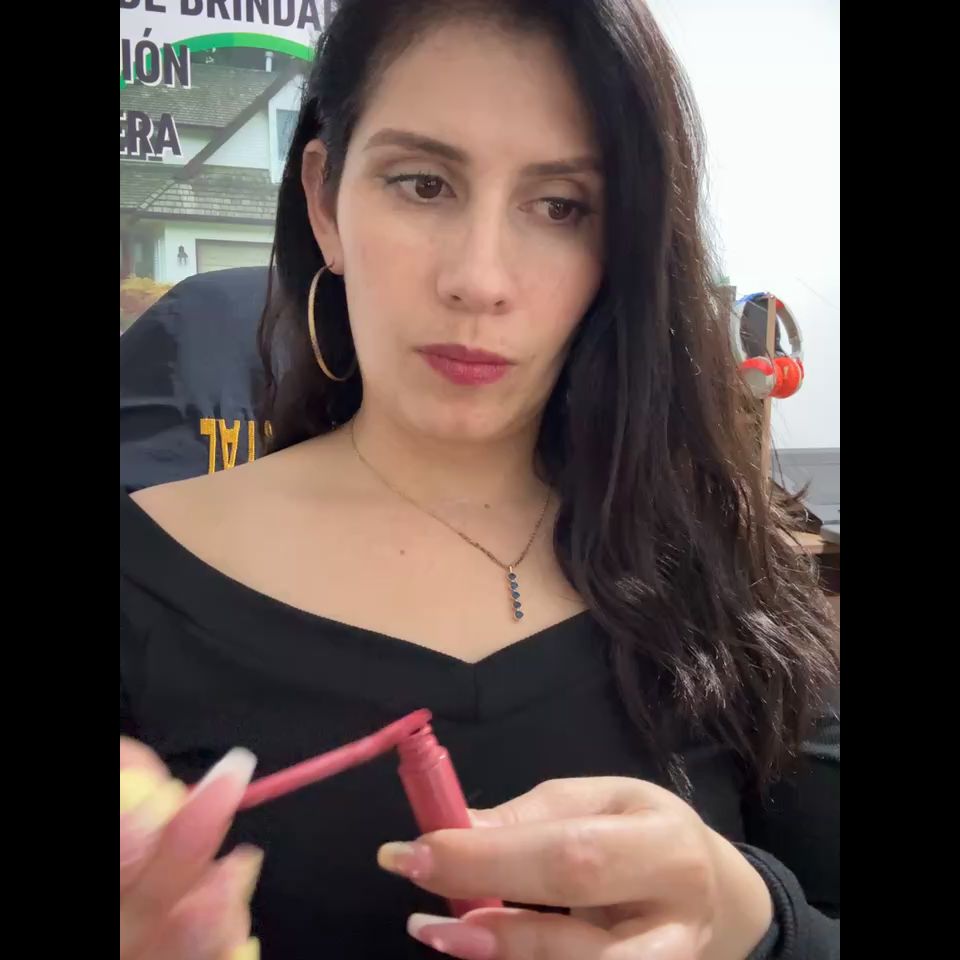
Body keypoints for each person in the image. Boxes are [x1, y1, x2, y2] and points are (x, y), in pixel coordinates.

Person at [119, 1, 840, 957]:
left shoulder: (726, 571)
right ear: (326, 203)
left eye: (561, 206)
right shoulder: (141, 578)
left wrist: (757, 923)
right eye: (423, 184)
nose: (480, 278)